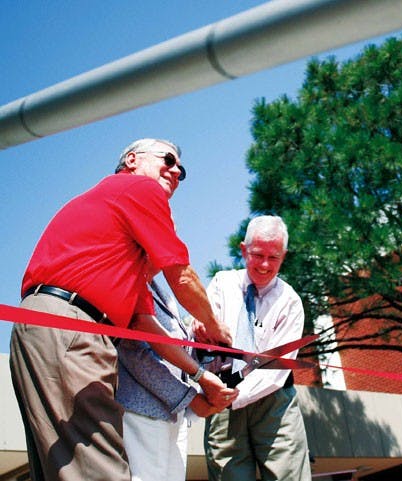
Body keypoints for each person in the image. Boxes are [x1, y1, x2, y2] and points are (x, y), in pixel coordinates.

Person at [9, 138, 237, 481]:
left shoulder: (114, 255)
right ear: (132, 160)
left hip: (41, 328)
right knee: (101, 470)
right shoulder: (139, 189)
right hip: (74, 328)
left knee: (63, 469)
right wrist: (215, 327)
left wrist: (200, 376)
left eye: (181, 169)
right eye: (169, 160)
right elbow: (182, 276)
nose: (177, 172)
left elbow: (145, 325)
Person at [203, 215, 312, 481]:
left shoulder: (290, 302)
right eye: (257, 254)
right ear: (243, 250)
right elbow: (202, 336)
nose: (264, 265)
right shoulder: (221, 284)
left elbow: (275, 369)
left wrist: (233, 396)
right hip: (222, 397)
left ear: (283, 256)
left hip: (272, 400)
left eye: (273, 257)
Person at [117, 275, 231, 481]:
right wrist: (191, 398)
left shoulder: (162, 292)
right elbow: (138, 357)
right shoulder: (128, 286)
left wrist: (202, 344)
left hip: (174, 416)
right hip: (143, 413)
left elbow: (180, 357)